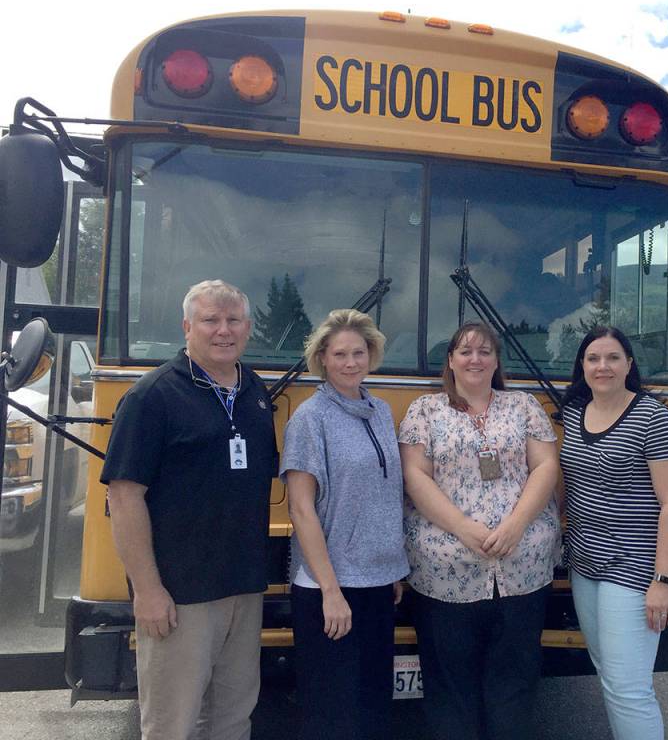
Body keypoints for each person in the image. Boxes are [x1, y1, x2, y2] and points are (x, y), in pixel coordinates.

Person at [102, 279, 277, 740]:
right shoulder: (151, 397)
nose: (224, 330)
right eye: (211, 320)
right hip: (179, 597)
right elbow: (123, 498)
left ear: (248, 327)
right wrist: (148, 590)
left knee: (232, 719)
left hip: (242, 589)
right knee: (172, 725)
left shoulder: (255, 391)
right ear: (187, 327)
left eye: (233, 320)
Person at [398, 322, 560, 740]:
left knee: (515, 683)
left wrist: (516, 524)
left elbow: (545, 466)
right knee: (450, 687)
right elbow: (415, 475)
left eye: (485, 351)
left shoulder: (523, 406)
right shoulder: (424, 410)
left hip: (521, 570)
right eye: (465, 351)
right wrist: (464, 528)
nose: (475, 359)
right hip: (444, 574)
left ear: (496, 361)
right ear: (450, 360)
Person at [279, 309, 409, 740]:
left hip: (378, 582)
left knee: (374, 706)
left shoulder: (380, 412)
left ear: (371, 355)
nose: (350, 362)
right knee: (333, 714)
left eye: (359, 352)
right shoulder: (309, 419)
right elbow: (301, 510)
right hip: (329, 588)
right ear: (322, 359)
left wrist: (392, 568)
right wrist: (331, 591)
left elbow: (385, 495)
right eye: (340, 354)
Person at [560, 326, 668, 740]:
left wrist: (663, 581)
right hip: (585, 567)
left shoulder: (653, 417)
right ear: (582, 365)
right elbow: (567, 485)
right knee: (608, 675)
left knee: (628, 688)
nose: (603, 366)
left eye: (613, 358)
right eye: (594, 358)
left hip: (633, 572)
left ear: (628, 365)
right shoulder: (575, 413)